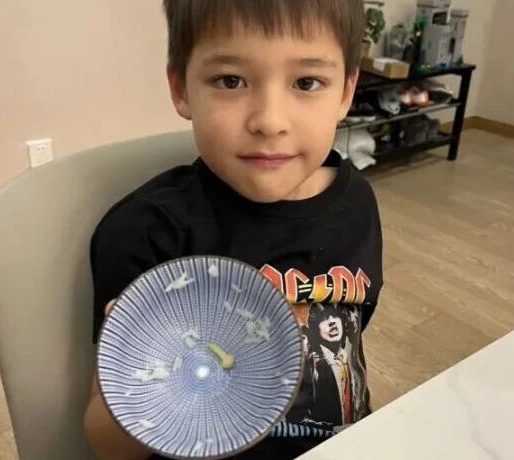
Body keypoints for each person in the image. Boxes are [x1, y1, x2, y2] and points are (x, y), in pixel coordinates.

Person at [84, 1, 382, 458]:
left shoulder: (357, 203)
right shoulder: (146, 231)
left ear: (345, 92)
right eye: (230, 81)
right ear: (181, 89)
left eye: (306, 82)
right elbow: (111, 449)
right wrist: (140, 369)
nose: (269, 121)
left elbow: (351, 345)